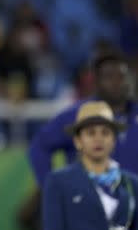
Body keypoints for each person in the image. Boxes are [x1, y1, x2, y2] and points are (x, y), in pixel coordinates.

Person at [29, 50, 138, 187]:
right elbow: (40, 146)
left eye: (122, 76)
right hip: (89, 204)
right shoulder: (78, 115)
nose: (117, 82)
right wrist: (51, 188)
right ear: (97, 82)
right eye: (109, 76)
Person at [42, 101, 138, 230]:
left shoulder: (131, 183)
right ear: (77, 141)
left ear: (114, 140)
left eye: (105, 132)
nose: (98, 138)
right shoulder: (58, 182)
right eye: (91, 132)